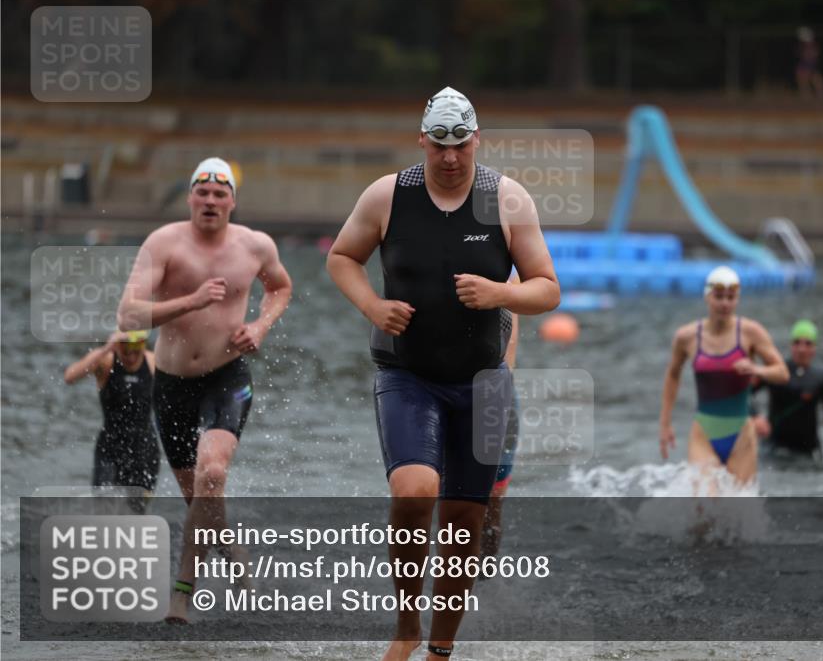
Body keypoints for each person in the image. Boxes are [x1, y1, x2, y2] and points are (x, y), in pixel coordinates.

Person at [326, 86, 559, 661]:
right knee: (414, 490)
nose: (450, 157)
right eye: (439, 146)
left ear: (477, 139)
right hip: (409, 375)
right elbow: (341, 257)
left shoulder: (507, 200)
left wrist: (500, 292)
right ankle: (406, 629)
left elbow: (547, 289)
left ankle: (439, 649)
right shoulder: (388, 195)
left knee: (462, 521)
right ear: (422, 141)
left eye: (461, 144)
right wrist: (372, 307)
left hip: (482, 381)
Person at [117, 157, 293, 623]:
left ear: (233, 200)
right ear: (190, 197)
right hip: (172, 385)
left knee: (212, 476)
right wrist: (191, 300)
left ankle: (182, 591)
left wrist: (260, 326)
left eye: (220, 194)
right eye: (202, 192)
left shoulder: (255, 245)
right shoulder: (164, 243)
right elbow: (128, 314)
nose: (211, 201)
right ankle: (234, 555)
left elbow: (280, 287)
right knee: (199, 498)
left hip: (227, 378)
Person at [659, 266, 789, 485]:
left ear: (737, 299)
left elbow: (782, 373)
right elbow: (673, 375)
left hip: (742, 436)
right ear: (707, 297)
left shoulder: (750, 332)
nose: (725, 303)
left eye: (731, 297)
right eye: (719, 297)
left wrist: (756, 369)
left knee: (739, 511)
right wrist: (665, 423)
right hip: (703, 434)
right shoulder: (687, 336)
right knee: (704, 507)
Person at [64, 329, 160, 510]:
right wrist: (105, 348)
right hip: (110, 446)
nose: (131, 357)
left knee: (136, 510)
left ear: (143, 345)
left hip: (144, 449)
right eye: (125, 352)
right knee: (102, 504)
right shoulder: (105, 361)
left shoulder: (153, 362)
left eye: (135, 352)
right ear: (117, 347)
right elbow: (70, 376)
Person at [750, 319, 823, 460]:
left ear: (815, 348)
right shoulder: (776, 371)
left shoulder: (822, 378)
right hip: (774, 448)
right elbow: (746, 394)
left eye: (808, 344)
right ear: (791, 346)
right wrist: (756, 416)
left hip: (809, 449)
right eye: (797, 343)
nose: (802, 349)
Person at [482, 304, 519, 560]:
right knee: (452, 501)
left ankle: (487, 584)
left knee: (492, 508)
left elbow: (509, 346)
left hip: (498, 394)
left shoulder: (507, 276)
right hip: (441, 392)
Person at [795, 26, 823, 98]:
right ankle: (808, 94)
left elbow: (814, 53)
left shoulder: (810, 43)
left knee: (813, 78)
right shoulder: (806, 44)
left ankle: (819, 94)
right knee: (807, 77)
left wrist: (809, 58)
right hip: (806, 62)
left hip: (809, 62)